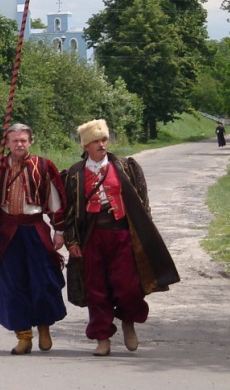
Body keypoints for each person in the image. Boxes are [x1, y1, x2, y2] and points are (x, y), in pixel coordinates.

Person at [63, 119, 180, 356]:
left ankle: (128, 319)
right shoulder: (75, 174)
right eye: (95, 141)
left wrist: (145, 236)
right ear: (86, 146)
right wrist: (72, 240)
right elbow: (68, 211)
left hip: (123, 235)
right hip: (92, 237)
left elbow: (142, 204)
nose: (101, 145)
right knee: (96, 289)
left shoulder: (125, 167)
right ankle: (102, 336)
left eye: (104, 139)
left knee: (128, 286)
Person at [0, 123, 67, 354]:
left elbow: (56, 201)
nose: (19, 144)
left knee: (43, 282)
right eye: (15, 140)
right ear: (7, 142)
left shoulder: (43, 166)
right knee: (11, 286)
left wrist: (59, 231)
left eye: (23, 140)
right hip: (6, 232)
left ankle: (44, 327)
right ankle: (24, 336)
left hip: (35, 231)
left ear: (30, 141)